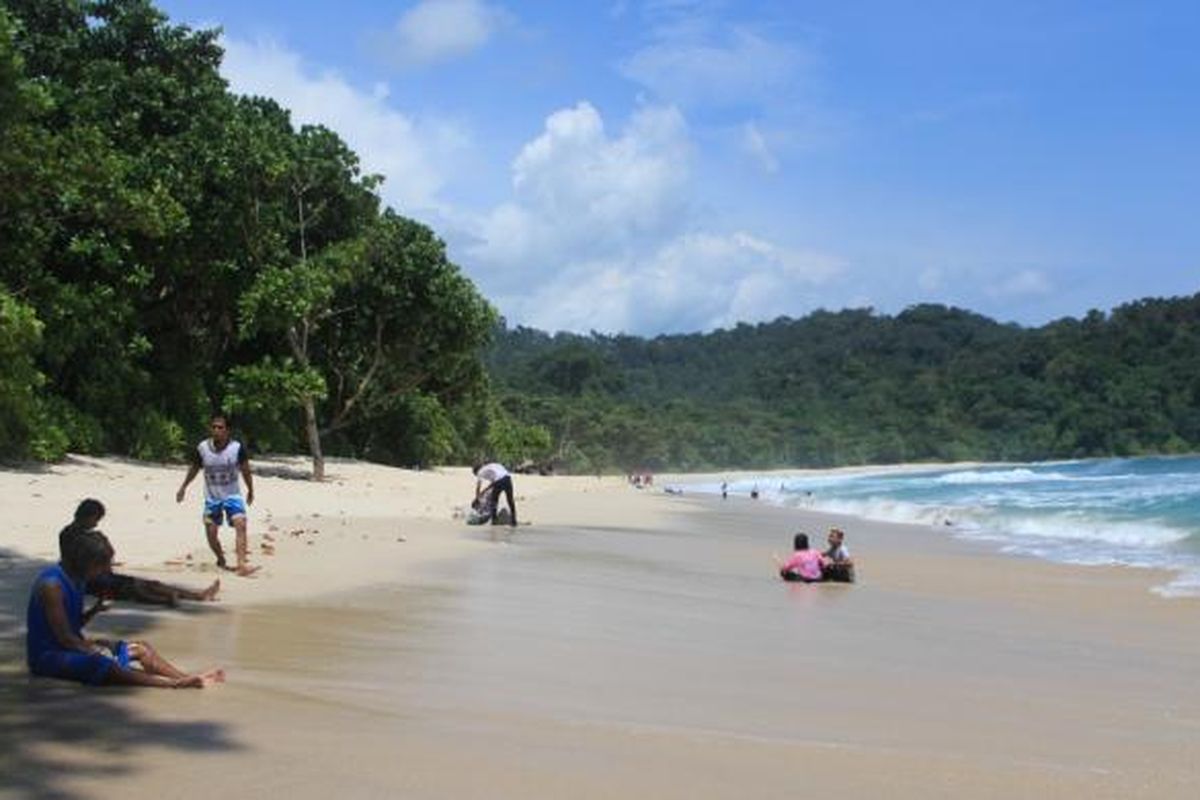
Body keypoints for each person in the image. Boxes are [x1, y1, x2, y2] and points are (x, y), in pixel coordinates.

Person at [27, 528, 224, 688]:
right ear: (87, 562)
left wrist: (95, 610)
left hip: (70, 647)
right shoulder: (52, 586)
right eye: (102, 565)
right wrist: (94, 650)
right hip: (48, 657)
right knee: (103, 664)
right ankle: (172, 684)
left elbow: (73, 626)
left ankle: (186, 678)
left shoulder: (78, 579)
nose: (106, 570)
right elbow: (65, 638)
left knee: (142, 649)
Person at [60, 499, 220, 606]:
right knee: (136, 587)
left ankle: (196, 596)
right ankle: (166, 600)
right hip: (87, 580)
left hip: (98, 576)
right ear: (88, 516)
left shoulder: (83, 535)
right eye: (96, 520)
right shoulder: (72, 535)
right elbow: (81, 562)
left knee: (150, 584)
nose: (96, 524)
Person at [176, 413, 258, 576]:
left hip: (232, 495)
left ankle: (241, 564)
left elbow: (246, 470)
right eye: (213, 427)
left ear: (227, 430)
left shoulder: (236, 448)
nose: (216, 430)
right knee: (211, 533)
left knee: (241, 524)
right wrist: (184, 486)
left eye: (220, 427)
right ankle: (220, 558)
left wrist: (250, 490)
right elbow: (194, 468)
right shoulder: (203, 448)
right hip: (212, 497)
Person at [473, 462, 517, 526]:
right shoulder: (491, 466)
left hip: (499, 480)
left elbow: (478, 487)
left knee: (494, 501)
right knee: (510, 500)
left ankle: (494, 520)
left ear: (476, 471)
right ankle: (514, 520)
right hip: (508, 478)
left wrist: (477, 499)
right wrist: (483, 492)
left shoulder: (480, 472)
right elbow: (493, 483)